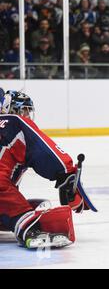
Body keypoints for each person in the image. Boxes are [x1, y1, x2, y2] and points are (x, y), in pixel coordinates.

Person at [0, 90, 94, 249]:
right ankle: (29, 229)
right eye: (23, 110)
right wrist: (66, 175)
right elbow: (43, 152)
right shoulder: (15, 122)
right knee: (23, 210)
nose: (26, 115)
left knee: (36, 204)